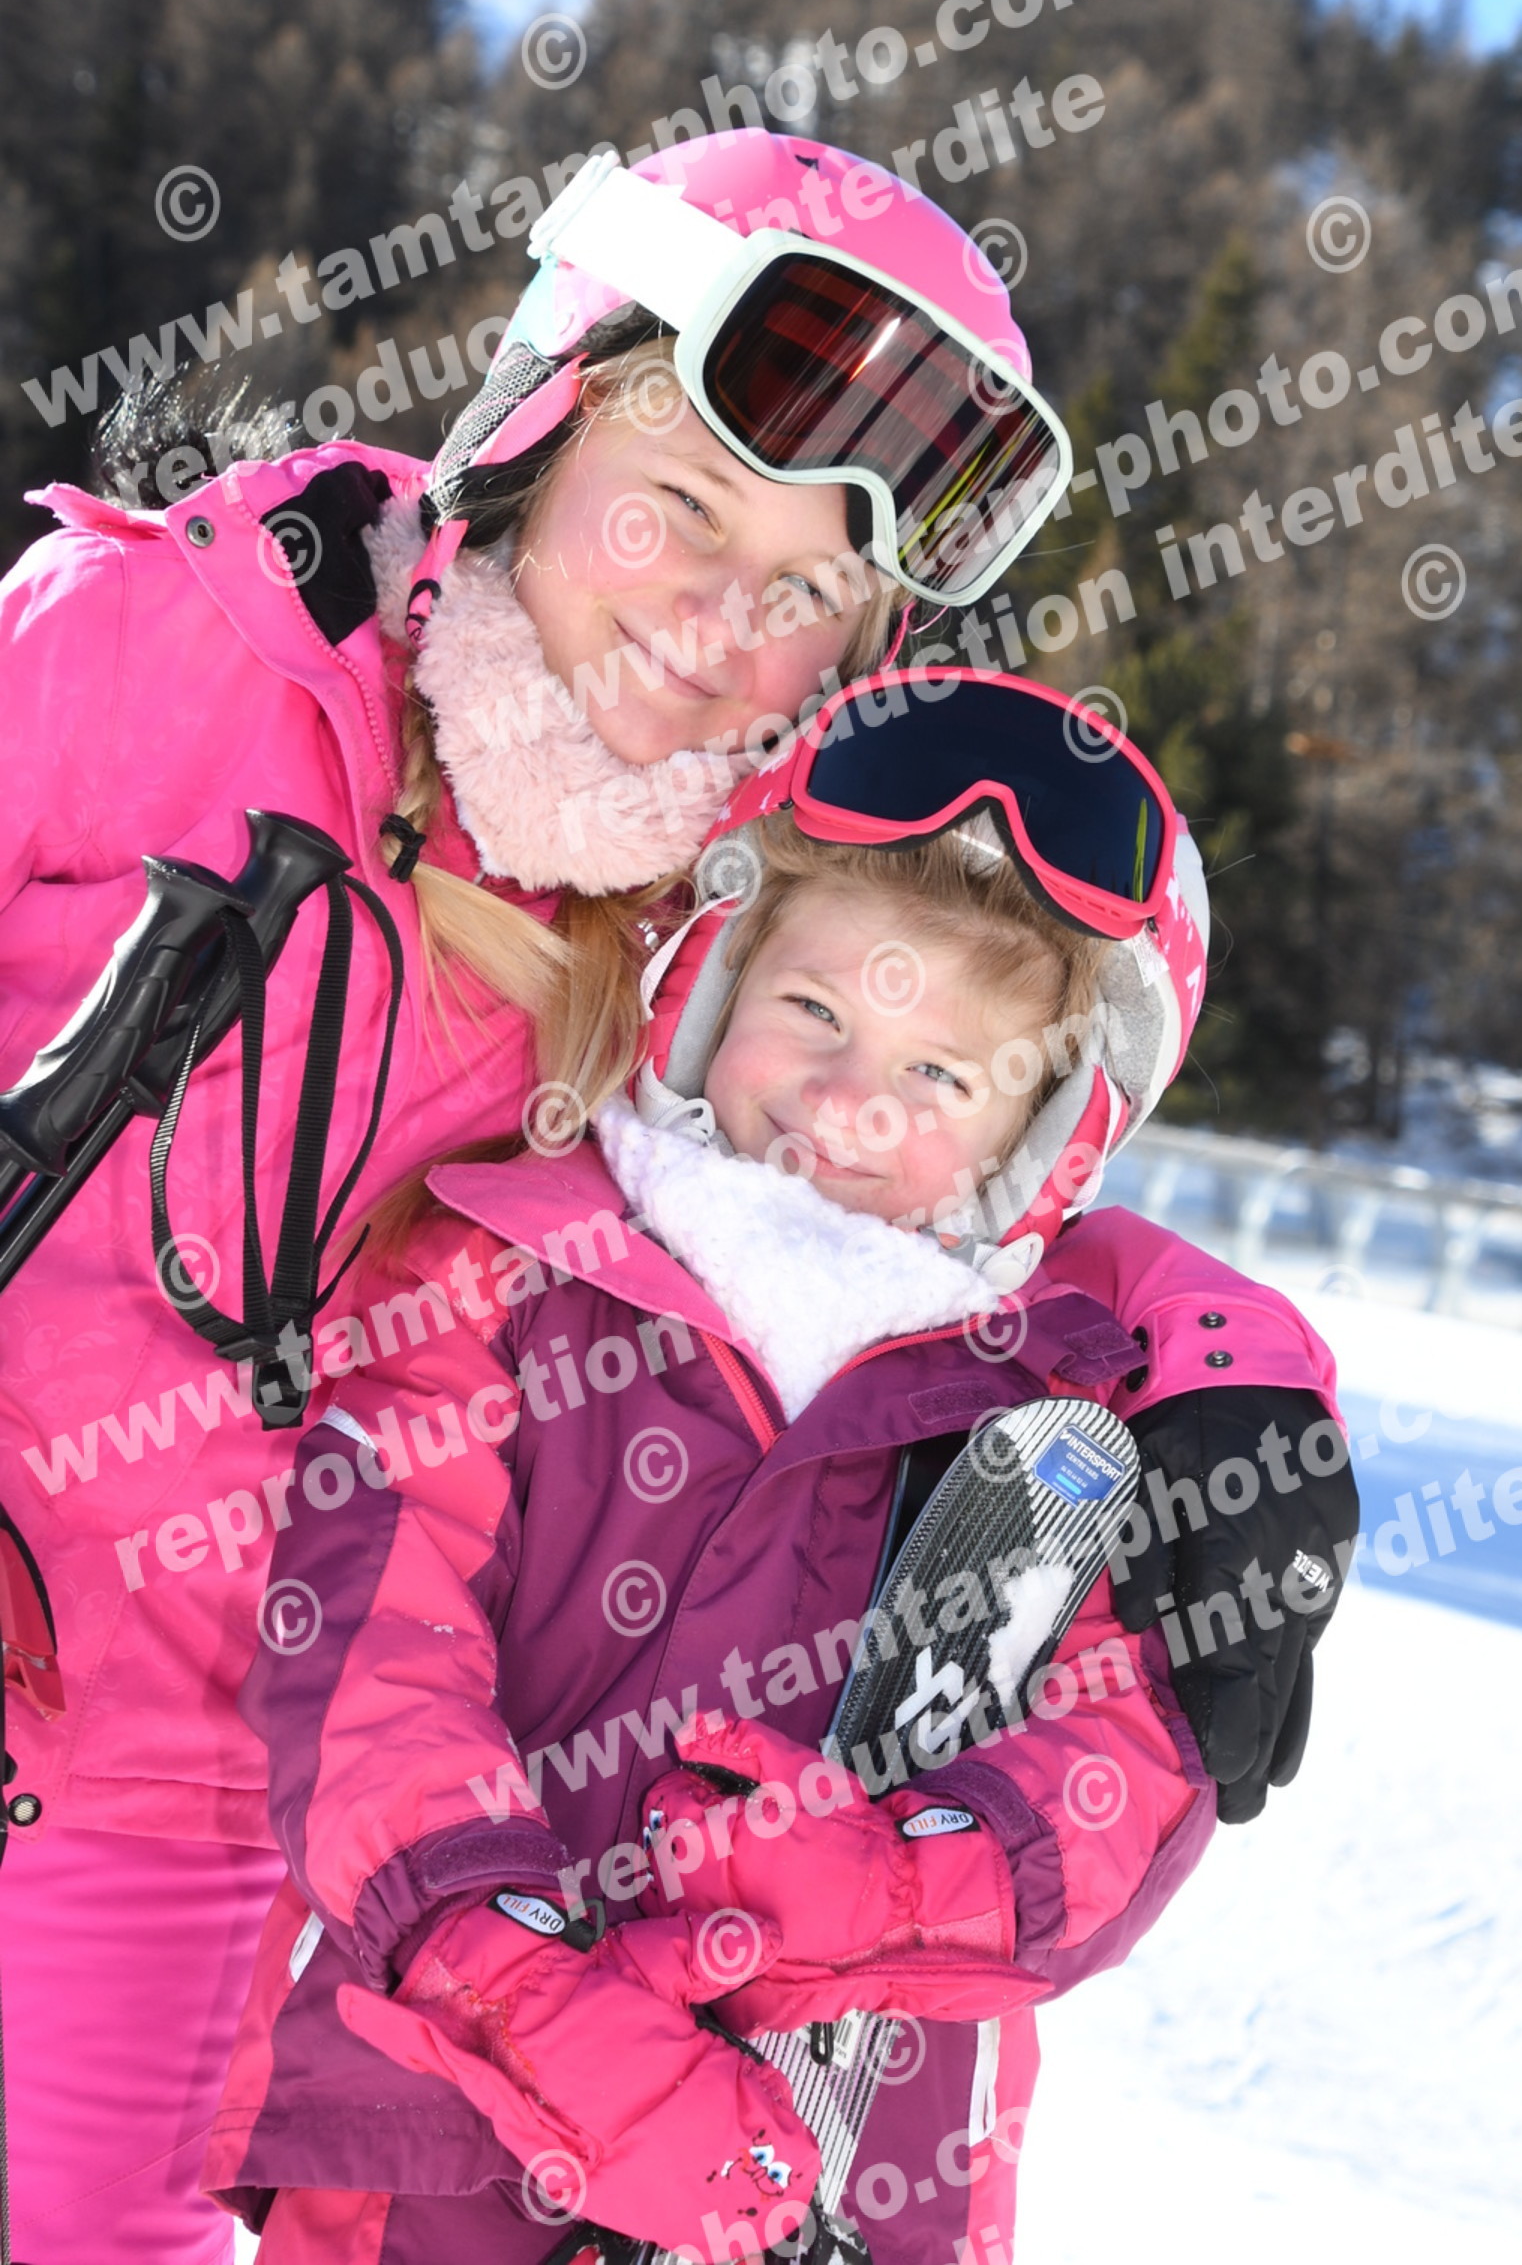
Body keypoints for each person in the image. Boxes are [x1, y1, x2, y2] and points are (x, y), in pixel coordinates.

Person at [0, 129, 1078, 2262]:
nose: (719, 625)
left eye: (806, 594)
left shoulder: (710, 958)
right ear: (534, 424)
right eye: (685, 509)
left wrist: (1226, 1365)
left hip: (178, 1796)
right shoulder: (178, 644)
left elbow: (941, 1164)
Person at [203, 671, 1350, 2263]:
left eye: (946, 1076)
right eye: (814, 1010)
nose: (851, 1101)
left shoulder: (1065, 1417)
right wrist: (526, 1996)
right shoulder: (499, 1281)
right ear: (710, 975)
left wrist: (889, 1889)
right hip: (431, 2154)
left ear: (1042, 1140)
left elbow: (1131, 1770)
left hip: (851, 2179)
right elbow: (367, 1666)